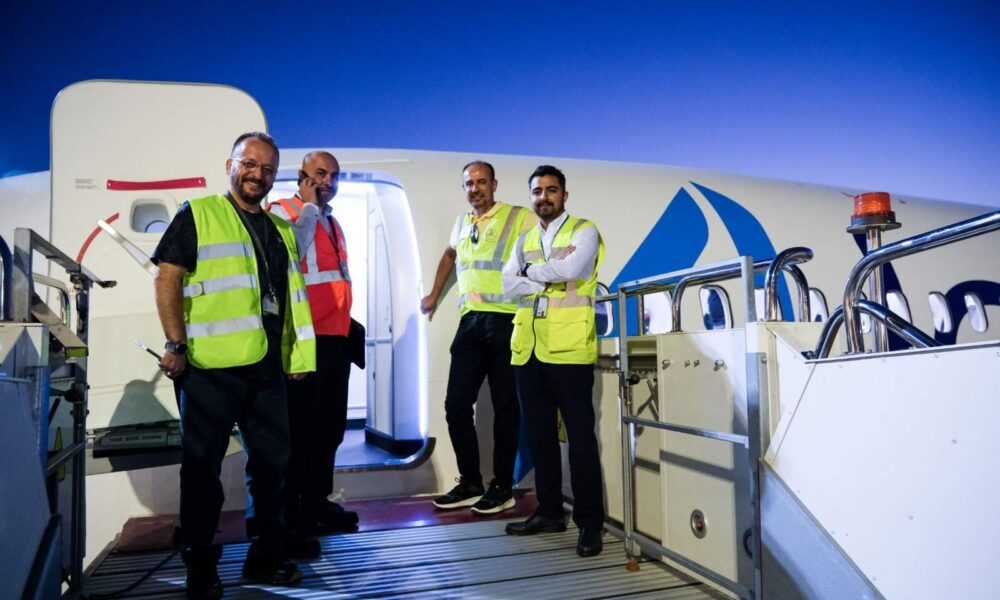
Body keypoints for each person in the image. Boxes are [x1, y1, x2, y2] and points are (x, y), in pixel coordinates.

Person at [152, 132, 316, 597]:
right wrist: (176, 344)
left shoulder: (280, 229)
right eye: (249, 164)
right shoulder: (199, 213)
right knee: (202, 471)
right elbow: (167, 277)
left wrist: (295, 356)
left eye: (267, 169)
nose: (257, 175)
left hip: (266, 369)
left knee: (271, 469)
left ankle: (265, 556)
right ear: (230, 165)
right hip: (209, 368)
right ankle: (200, 567)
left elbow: (289, 301)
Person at [501, 165, 607, 557]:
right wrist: (545, 276)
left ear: (564, 194)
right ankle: (548, 511)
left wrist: (530, 273)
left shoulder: (584, 230)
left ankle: (589, 523)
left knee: (580, 439)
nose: (543, 197)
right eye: (537, 191)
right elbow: (507, 284)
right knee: (539, 437)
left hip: (568, 348)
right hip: (528, 349)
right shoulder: (525, 239)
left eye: (551, 190)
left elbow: (572, 270)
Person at [421, 160, 536, 514]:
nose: (476, 188)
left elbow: (539, 254)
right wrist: (434, 294)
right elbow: (450, 255)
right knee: (455, 405)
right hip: (470, 322)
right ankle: (471, 482)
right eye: (469, 183)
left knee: (505, 409)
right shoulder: (462, 222)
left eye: (482, 182)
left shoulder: (518, 218)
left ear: (494, 184)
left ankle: (502, 487)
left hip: (506, 321)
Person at [268, 151, 360, 534]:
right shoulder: (283, 211)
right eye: (320, 173)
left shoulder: (332, 221)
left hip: (335, 339)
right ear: (302, 176)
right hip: (305, 340)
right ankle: (294, 515)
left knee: (330, 429)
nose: (328, 182)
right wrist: (307, 209)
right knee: (301, 432)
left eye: (334, 176)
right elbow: (286, 259)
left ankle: (317, 502)